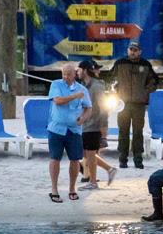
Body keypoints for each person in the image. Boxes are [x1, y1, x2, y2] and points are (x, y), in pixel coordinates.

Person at [47, 63, 92, 202]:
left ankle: (72, 189)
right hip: (56, 129)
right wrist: (74, 96)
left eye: (68, 74)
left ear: (75, 74)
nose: (65, 77)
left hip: (74, 130)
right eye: (63, 74)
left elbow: (88, 107)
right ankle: (54, 189)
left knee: (75, 159)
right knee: (55, 159)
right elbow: (58, 101)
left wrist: (83, 118)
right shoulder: (56, 84)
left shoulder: (82, 89)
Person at [112, 41, 158, 169]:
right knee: (123, 131)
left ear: (140, 51)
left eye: (135, 50)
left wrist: (144, 91)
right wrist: (115, 90)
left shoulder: (146, 64)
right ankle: (123, 159)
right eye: (131, 49)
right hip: (123, 104)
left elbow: (154, 81)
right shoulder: (120, 63)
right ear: (128, 50)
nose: (133, 52)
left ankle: (138, 159)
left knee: (138, 132)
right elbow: (110, 79)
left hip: (139, 105)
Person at [77, 60, 117, 189]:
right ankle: (109, 169)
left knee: (89, 154)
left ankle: (93, 182)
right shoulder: (84, 84)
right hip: (85, 124)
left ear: (84, 70)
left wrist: (103, 131)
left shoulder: (96, 86)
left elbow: (103, 108)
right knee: (86, 154)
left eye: (79, 69)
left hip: (93, 124)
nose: (77, 72)